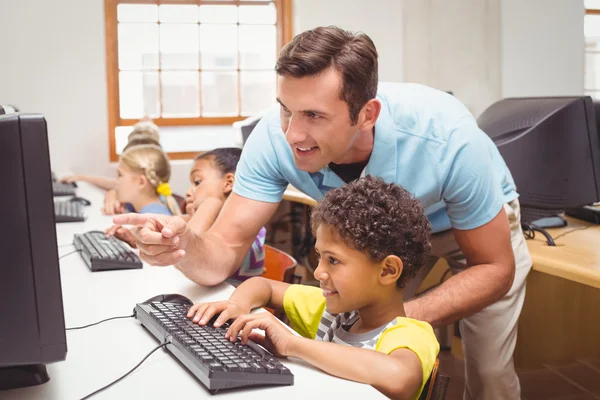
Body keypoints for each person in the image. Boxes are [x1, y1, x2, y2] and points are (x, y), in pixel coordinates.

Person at [115, 26, 532, 399]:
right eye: (286, 109)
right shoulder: (274, 138)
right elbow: (223, 248)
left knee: (489, 374)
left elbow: (494, 267)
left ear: (366, 115)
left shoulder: (448, 137)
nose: (292, 134)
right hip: (373, 239)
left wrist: (394, 324)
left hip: (465, 223)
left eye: (314, 115)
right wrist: (184, 244)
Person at [187, 176, 439, 400]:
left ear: (387, 271)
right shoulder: (333, 311)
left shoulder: (410, 335)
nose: (318, 272)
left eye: (334, 260)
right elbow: (261, 285)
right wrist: (237, 306)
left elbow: (400, 377)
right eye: (319, 256)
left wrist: (292, 344)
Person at [109, 147, 267, 284]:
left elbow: (185, 251)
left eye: (197, 182)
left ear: (228, 183)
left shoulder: (245, 228)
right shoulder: (210, 221)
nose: (188, 191)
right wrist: (139, 237)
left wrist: (211, 202)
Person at [61, 120, 161, 214]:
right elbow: (113, 185)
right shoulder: (142, 192)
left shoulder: (154, 209)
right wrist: (112, 195)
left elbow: (114, 185)